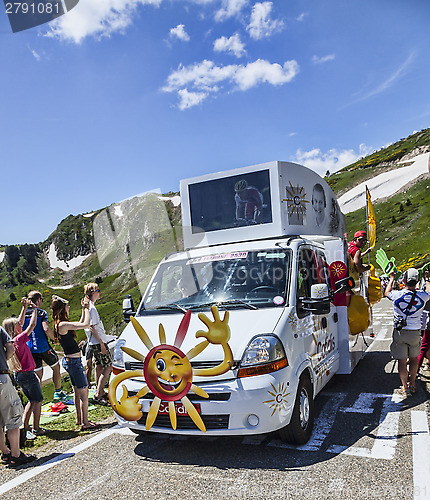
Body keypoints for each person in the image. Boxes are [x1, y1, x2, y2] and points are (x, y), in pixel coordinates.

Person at [2, 298, 49, 439]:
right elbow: (32, 324)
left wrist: (23, 308)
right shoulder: (20, 339)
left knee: (31, 400)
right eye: (18, 325)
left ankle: (26, 426)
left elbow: (20, 322)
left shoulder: (12, 340)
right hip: (28, 373)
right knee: (38, 400)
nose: (20, 325)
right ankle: (36, 428)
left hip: (20, 374)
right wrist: (34, 309)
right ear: (14, 329)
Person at [51, 295, 98, 430]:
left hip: (70, 361)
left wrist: (84, 309)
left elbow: (81, 322)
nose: (69, 308)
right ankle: (85, 423)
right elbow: (86, 324)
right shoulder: (63, 324)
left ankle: (79, 419)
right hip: (74, 362)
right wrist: (88, 309)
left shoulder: (60, 323)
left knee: (77, 392)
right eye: (67, 306)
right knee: (84, 392)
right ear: (62, 308)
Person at [385, 268, 430, 396]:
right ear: (416, 281)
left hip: (400, 332)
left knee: (402, 361)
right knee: (414, 359)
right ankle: (413, 384)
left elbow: (386, 292)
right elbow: (429, 291)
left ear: (403, 280)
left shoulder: (397, 294)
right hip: (415, 332)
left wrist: (392, 279)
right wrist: (426, 279)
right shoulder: (423, 295)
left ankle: (405, 387)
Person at [0, 325, 37, 467]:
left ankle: (5, 452)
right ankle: (16, 454)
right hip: (1, 378)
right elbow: (10, 349)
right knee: (13, 417)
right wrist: (4, 360)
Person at [23, 290, 66, 401]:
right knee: (56, 367)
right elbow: (46, 329)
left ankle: (37, 399)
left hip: (30, 349)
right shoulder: (41, 313)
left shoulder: (23, 314)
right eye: (41, 300)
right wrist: (54, 339)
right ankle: (58, 392)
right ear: (38, 300)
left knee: (38, 375)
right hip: (43, 347)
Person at [83, 283, 115, 406]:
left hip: (92, 342)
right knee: (108, 366)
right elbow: (92, 327)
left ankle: (100, 390)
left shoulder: (88, 307)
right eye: (98, 291)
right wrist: (102, 343)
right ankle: (98, 394)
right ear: (93, 293)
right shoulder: (92, 308)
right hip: (98, 342)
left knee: (99, 365)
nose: (100, 293)